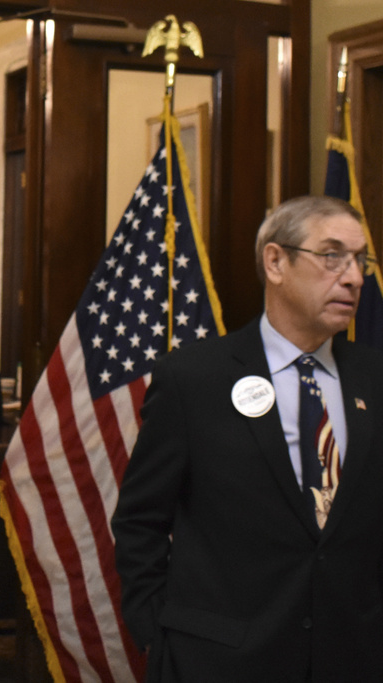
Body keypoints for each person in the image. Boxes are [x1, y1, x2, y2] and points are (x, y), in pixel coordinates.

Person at [111, 195, 383, 682]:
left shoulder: (374, 379)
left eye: (360, 260)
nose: (354, 277)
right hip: (219, 661)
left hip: (352, 656)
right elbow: (139, 520)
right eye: (332, 256)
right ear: (276, 261)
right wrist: (158, 630)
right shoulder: (193, 380)